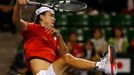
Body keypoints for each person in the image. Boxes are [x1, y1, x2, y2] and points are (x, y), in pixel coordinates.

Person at [12, 0, 117, 75]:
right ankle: (102, 66)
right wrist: (18, 5)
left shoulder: (54, 35)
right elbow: (16, 21)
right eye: (51, 15)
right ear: (41, 16)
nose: (54, 19)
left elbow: (65, 53)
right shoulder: (31, 28)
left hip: (52, 71)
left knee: (67, 59)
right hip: (42, 73)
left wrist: (59, 37)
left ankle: (104, 67)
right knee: (67, 59)